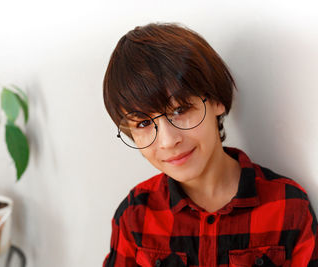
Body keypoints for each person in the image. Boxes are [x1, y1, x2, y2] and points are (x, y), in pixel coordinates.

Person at [102, 22, 318, 267]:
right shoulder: (134, 215)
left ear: (216, 100)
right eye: (142, 124)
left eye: (180, 110)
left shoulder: (288, 206)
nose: (168, 141)